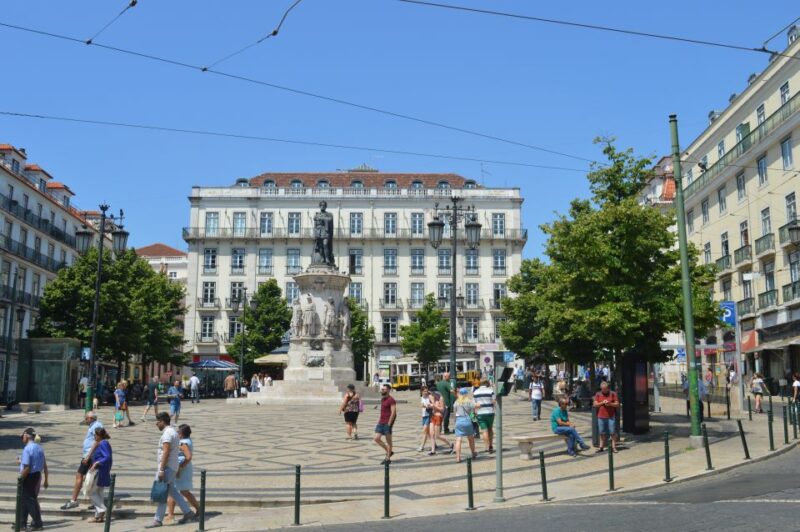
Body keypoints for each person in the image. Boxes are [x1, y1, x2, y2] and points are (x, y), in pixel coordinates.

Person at [146, 412, 195, 528]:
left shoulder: (167, 434)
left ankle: (158, 519)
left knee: (162, 491)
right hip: (172, 466)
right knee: (172, 491)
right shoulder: (173, 432)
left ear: (163, 421)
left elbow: (166, 452)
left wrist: (162, 469)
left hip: (167, 467)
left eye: (157, 422)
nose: (156, 424)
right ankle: (188, 512)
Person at [61, 411, 103, 510]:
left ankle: (73, 501)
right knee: (91, 477)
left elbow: (98, 440)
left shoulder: (97, 425)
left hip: (90, 456)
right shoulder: (95, 425)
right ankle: (95, 501)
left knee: (80, 475)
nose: (85, 420)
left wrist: (88, 456)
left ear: (91, 418)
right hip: (90, 455)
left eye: (86, 418)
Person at [166, 425, 200, 523]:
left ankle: (171, 515)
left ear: (181, 433)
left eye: (178, 432)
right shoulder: (187, 440)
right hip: (182, 468)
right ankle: (171, 514)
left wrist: (180, 467)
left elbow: (188, 457)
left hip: (182, 469)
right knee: (180, 491)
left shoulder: (183, 443)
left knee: (179, 491)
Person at [19, 427, 48, 531]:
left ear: (26, 436)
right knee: (24, 500)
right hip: (36, 475)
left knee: (30, 500)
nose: (22, 438)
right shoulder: (39, 447)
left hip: (29, 476)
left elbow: (27, 467)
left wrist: (20, 477)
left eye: (22, 436)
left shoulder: (27, 449)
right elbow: (42, 464)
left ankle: (38, 523)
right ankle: (22, 523)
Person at [87, 427, 113, 523]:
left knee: (90, 492)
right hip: (102, 471)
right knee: (99, 493)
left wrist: (97, 463)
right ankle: (99, 517)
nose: (94, 436)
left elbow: (107, 457)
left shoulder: (103, 443)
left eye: (95, 434)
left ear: (99, 435)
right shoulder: (103, 443)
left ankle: (102, 509)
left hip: (99, 471)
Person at [593, 381, 620, 453]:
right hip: (601, 416)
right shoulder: (598, 394)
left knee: (612, 431)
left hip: (611, 416)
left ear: (608, 388)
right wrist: (602, 403)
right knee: (601, 432)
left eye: (605, 389)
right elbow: (595, 404)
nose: (604, 390)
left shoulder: (613, 393)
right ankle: (601, 447)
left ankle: (614, 447)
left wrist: (610, 404)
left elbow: (617, 404)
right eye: (602, 389)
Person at [373, 384, 396, 464]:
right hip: (381, 422)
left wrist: (389, 424)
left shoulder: (391, 400)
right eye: (382, 389)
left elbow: (393, 412)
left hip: (387, 423)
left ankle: (388, 458)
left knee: (388, 441)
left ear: (388, 390)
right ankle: (389, 451)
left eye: (384, 389)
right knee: (376, 438)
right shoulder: (382, 399)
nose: (382, 390)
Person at [453, 388, 478, 463]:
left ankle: (458, 457)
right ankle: (473, 453)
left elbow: (454, 413)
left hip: (459, 421)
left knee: (458, 440)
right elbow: (474, 410)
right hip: (467, 420)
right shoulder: (469, 401)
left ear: (460, 394)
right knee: (471, 439)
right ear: (466, 394)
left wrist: (455, 421)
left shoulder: (456, 402)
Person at [473, 380, 496, 453]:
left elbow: (474, 404)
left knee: (484, 430)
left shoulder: (475, 392)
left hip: (480, 413)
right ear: (487, 384)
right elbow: (494, 401)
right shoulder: (490, 391)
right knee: (490, 429)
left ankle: (486, 447)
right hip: (490, 413)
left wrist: (474, 413)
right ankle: (491, 445)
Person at [428, 390, 452, 455]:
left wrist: (434, 406)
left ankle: (450, 444)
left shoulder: (441, 398)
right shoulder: (432, 397)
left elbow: (442, 409)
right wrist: (429, 406)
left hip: (438, 417)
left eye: (432, 393)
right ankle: (433, 450)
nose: (431, 394)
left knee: (437, 435)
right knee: (431, 434)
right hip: (433, 416)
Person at [418, 387, 433, 452]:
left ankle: (422, 446)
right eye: (424, 391)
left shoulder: (429, 397)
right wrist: (424, 405)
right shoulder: (422, 398)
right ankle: (434, 444)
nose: (425, 392)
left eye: (426, 391)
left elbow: (433, 404)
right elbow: (421, 405)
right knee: (428, 432)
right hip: (424, 416)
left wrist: (429, 406)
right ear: (421, 392)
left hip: (429, 416)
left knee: (424, 431)